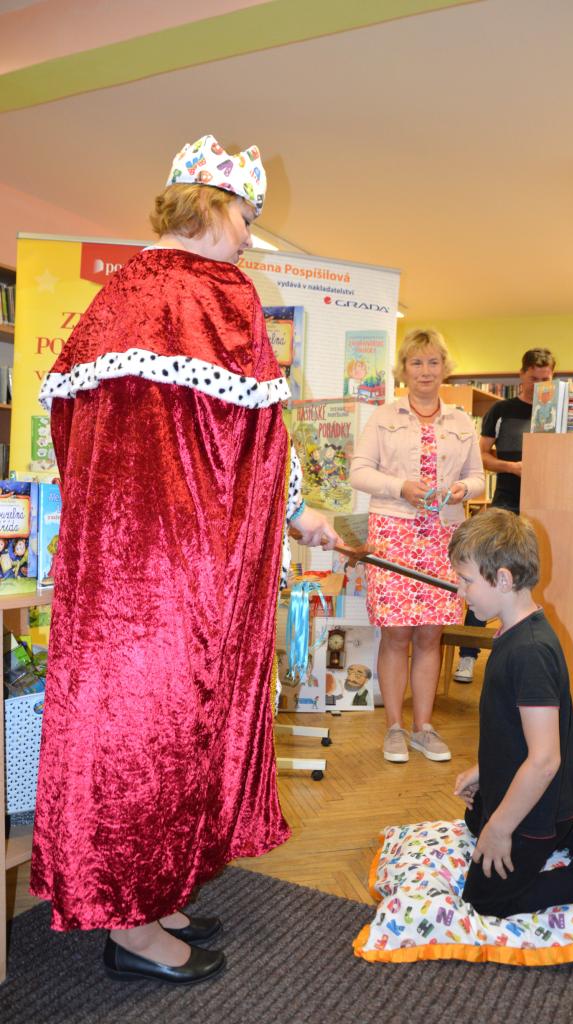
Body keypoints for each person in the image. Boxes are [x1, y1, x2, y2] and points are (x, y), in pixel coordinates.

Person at [30, 134, 339, 986]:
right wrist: (295, 513)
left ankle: (152, 892)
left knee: (130, 728)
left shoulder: (119, 291)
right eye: (245, 217)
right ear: (210, 207)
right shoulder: (216, 292)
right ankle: (132, 930)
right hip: (177, 574)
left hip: (111, 571)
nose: (249, 237)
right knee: (161, 730)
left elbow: (72, 435)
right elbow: (259, 434)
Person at [449, 510, 573, 945]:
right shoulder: (515, 632)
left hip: (540, 798)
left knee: (487, 897)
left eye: (465, 580)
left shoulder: (530, 652)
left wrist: (501, 828)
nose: (458, 590)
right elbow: (515, 732)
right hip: (541, 791)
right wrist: (485, 772)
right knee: (475, 815)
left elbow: (543, 761)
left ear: (503, 579)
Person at [350, 328, 484, 764]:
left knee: (431, 633)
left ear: (445, 367)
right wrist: (400, 486)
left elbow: (478, 479)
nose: (425, 371)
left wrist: (463, 489)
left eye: (433, 362)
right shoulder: (383, 416)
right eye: (416, 362)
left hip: (444, 536)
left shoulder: (461, 422)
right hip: (393, 531)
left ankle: (423, 728)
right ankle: (394, 727)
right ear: (403, 369)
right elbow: (358, 472)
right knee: (396, 634)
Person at [454, 348, 555, 684]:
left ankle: (525, 650)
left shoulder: (558, 409)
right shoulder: (501, 410)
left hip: (550, 504)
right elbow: (481, 457)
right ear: (521, 374)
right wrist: (512, 467)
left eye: (546, 379)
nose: (539, 385)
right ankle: (468, 656)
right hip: (507, 503)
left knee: (532, 577)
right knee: (485, 572)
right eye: (534, 378)